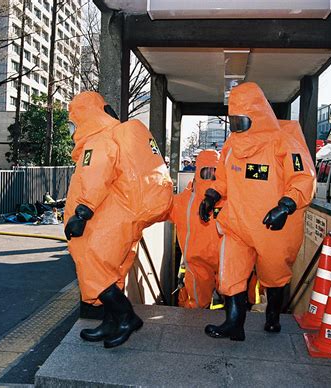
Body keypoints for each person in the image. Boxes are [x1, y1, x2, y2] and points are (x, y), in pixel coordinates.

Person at [199, 82, 316, 341]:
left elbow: (303, 178)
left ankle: (273, 316)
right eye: (233, 121)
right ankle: (234, 322)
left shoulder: (284, 141)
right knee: (231, 273)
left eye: (241, 120)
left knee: (274, 276)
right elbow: (223, 178)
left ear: (257, 115)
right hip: (237, 223)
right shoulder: (231, 145)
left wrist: (285, 206)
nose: (236, 126)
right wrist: (211, 196)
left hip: (272, 227)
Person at [64, 91, 173, 348]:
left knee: (93, 268)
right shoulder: (110, 136)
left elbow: (95, 176)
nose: (73, 128)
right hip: (120, 216)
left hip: (105, 220)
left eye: (73, 121)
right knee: (112, 272)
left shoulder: (98, 140)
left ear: (84, 116)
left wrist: (82, 213)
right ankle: (111, 322)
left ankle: (126, 317)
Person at [167, 149, 221, 309]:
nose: (210, 175)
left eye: (214, 171)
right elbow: (159, 210)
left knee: (232, 296)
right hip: (197, 263)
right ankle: (194, 328)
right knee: (197, 303)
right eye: (206, 171)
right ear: (198, 171)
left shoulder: (228, 197)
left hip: (225, 260)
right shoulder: (183, 200)